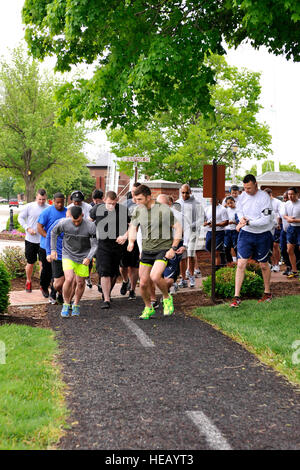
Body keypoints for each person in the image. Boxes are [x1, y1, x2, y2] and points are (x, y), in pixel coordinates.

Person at [128, 184, 182, 319]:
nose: (137, 202)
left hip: (163, 248)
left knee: (155, 276)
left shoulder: (163, 209)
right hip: (147, 250)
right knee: (144, 283)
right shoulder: (138, 211)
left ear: (148, 197)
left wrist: (173, 248)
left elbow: (178, 228)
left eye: (139, 199)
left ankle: (166, 297)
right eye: (135, 199)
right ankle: (148, 307)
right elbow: (133, 227)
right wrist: (131, 241)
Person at [230, 174, 274, 307]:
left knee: (263, 265)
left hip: (262, 234)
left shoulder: (264, 197)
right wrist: (242, 218)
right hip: (246, 234)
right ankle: (236, 297)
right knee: (241, 264)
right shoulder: (243, 196)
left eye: (249, 188)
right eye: (245, 188)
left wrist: (248, 223)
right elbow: (239, 211)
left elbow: (265, 220)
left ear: (256, 184)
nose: (246, 191)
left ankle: (267, 293)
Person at [51, 205, 97, 317]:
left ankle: (76, 304)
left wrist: (89, 257)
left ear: (82, 215)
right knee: (69, 278)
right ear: (70, 216)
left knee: (80, 282)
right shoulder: (64, 223)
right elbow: (53, 233)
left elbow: (95, 244)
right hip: (68, 254)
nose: (76, 223)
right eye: (74, 221)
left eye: (78, 221)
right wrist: (53, 250)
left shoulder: (90, 226)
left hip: (83, 256)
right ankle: (66, 304)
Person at [92, 191, 130, 309]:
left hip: (118, 245)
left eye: (114, 203)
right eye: (109, 203)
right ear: (104, 200)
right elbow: (88, 221)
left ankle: (106, 293)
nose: (111, 206)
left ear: (117, 200)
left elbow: (132, 226)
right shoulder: (97, 209)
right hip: (103, 244)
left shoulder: (123, 210)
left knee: (114, 273)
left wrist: (125, 236)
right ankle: (107, 299)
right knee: (104, 272)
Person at [37, 192, 67, 302]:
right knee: (47, 270)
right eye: (57, 202)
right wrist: (49, 237)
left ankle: (56, 293)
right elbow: (39, 227)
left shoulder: (67, 212)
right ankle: (44, 287)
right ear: (53, 201)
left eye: (62, 202)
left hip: (60, 248)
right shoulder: (47, 212)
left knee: (59, 273)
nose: (60, 204)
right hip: (46, 247)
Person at [18, 189, 48, 293]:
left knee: (42, 264)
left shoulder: (48, 208)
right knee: (30, 263)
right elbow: (20, 218)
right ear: (36, 197)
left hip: (43, 241)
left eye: (43, 199)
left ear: (46, 198)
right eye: (39, 199)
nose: (41, 201)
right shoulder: (29, 206)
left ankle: (42, 285)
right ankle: (28, 281)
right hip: (30, 240)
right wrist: (27, 228)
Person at [176, 184, 203, 288]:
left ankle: (191, 276)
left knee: (190, 254)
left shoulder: (196, 204)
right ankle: (183, 278)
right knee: (181, 256)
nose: (184, 194)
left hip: (193, 232)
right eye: (183, 192)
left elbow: (201, 219)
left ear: (190, 192)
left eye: (187, 192)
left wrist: (189, 226)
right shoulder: (177, 203)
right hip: (181, 233)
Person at [204, 199, 228, 267]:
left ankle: (216, 270)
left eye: (213, 197)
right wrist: (205, 223)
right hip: (209, 232)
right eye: (211, 198)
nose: (212, 199)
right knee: (210, 250)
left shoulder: (222, 209)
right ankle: (215, 267)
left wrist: (215, 224)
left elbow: (226, 222)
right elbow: (204, 220)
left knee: (216, 252)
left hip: (219, 232)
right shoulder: (207, 208)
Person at [283, 186, 300, 279]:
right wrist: (288, 218)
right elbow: (284, 215)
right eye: (289, 194)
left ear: (297, 194)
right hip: (291, 229)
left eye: (292, 194)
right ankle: (294, 271)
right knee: (289, 250)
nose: (290, 196)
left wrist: (295, 220)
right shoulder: (287, 204)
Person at [264, 188, 282, 272]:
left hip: (276, 226)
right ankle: (270, 263)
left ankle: (276, 264)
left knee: (275, 246)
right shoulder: (263, 202)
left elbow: (280, 214)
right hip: (265, 228)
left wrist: (278, 224)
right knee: (268, 246)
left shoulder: (277, 202)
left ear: (270, 194)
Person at [223, 196, 239, 263]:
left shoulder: (238, 210)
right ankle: (230, 263)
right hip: (227, 231)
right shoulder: (226, 210)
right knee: (226, 248)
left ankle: (239, 263)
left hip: (235, 231)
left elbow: (240, 221)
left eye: (231, 203)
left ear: (234, 202)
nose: (230, 205)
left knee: (236, 248)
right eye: (228, 203)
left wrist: (233, 222)